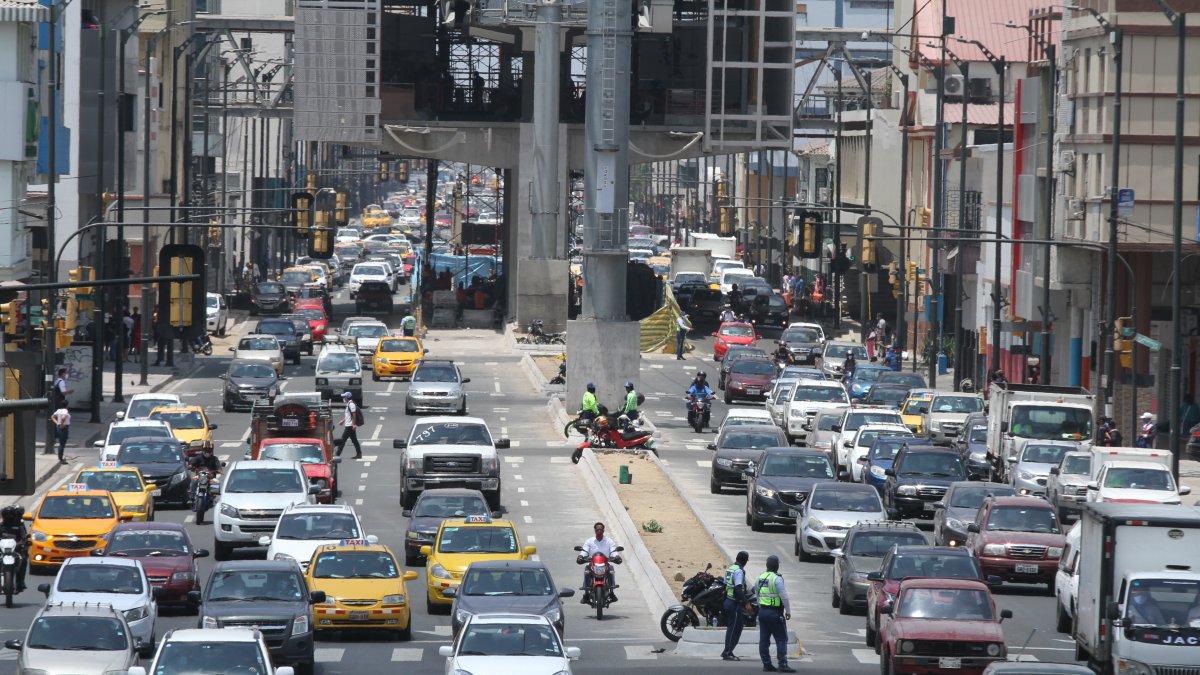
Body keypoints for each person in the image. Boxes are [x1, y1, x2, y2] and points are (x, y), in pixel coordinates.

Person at [757, 554, 794, 672]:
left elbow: (757, 595)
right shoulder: (777, 579)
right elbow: (784, 596)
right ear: (777, 566)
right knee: (781, 638)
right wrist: (788, 611)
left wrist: (761, 609)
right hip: (774, 613)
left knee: (764, 639)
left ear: (767, 565)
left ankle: (766, 664)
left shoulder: (760, 577)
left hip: (762, 612)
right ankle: (782, 664)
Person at [578, 522, 619, 602]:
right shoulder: (589, 541)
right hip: (592, 564)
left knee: (611, 571)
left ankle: (612, 592)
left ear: (603, 531)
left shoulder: (609, 541)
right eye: (597, 529)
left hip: (605, 564)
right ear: (595, 531)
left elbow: (613, 550)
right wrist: (581, 556)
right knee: (586, 571)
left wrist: (616, 556)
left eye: (601, 529)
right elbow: (585, 551)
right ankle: (586, 593)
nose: (599, 531)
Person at [722, 550, 750, 661]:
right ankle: (728, 652)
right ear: (744, 561)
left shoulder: (730, 568)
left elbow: (725, 584)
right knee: (734, 628)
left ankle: (727, 651)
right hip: (734, 603)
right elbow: (738, 588)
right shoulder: (738, 571)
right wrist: (746, 603)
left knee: (734, 627)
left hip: (728, 601)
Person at [0, 505, 28, 592]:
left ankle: (20, 582)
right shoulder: (1, 526)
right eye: (6, 515)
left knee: (23, 560)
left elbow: (24, 538)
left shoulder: (19, 526)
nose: (8, 517)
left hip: (16, 550)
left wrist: (20, 543)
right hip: (2, 550)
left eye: (10, 515)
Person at [337, 391, 363, 459]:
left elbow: (353, 414)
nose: (344, 398)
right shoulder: (349, 404)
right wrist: (343, 421)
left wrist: (353, 424)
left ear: (347, 397)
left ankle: (337, 455)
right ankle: (359, 454)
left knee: (342, 440)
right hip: (349, 425)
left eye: (344, 397)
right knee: (354, 440)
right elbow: (349, 415)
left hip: (349, 426)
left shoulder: (351, 404)